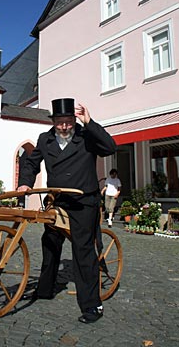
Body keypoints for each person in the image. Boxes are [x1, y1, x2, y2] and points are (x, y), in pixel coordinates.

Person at [17, 98, 116, 324]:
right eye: (60, 122)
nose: (64, 127)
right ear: (54, 121)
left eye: (68, 122)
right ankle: (45, 289)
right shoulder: (45, 139)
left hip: (83, 202)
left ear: (74, 120)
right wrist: (25, 183)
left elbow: (110, 147)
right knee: (50, 243)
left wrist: (89, 122)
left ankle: (93, 306)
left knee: (83, 251)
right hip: (58, 200)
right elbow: (31, 163)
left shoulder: (86, 136)